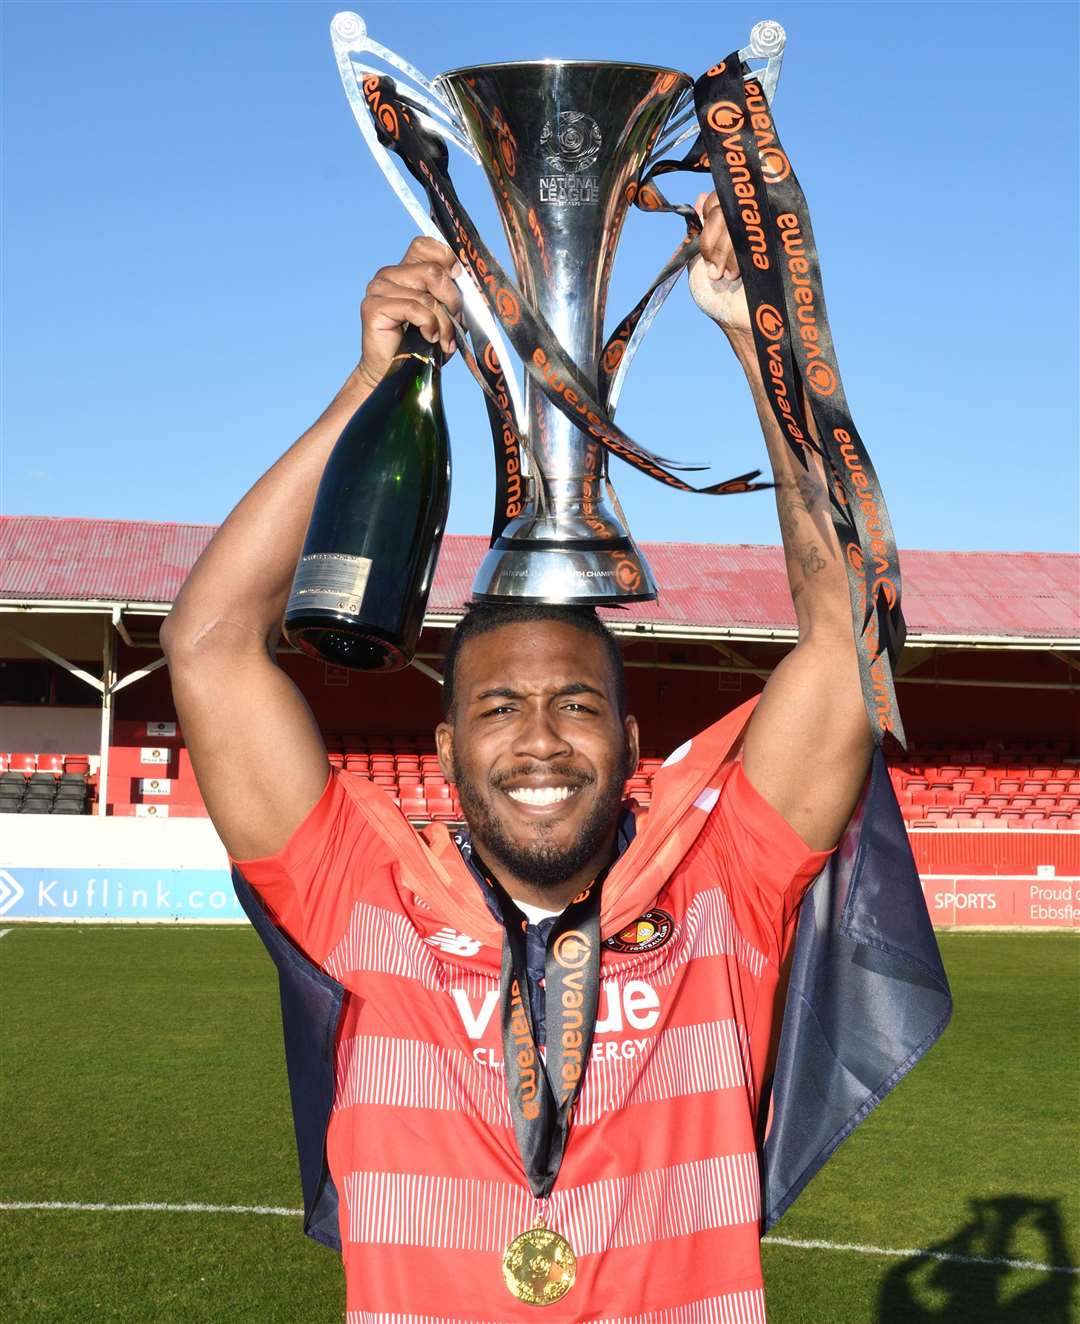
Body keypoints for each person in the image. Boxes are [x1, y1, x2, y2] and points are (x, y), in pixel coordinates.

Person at [161, 196, 877, 1322]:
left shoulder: (717, 889)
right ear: (444, 747)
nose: (539, 737)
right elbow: (206, 646)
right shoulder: (366, 892)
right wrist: (374, 387)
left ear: (632, 740)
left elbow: (848, 637)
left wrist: (758, 335)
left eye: (577, 703)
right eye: (498, 706)